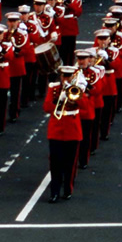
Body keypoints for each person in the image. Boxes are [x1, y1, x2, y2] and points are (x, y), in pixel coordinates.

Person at [43, 63, 82, 202]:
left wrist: (73, 95)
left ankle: (67, 190)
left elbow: (86, 106)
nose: (65, 79)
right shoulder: (54, 88)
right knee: (55, 163)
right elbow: (47, 107)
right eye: (64, 76)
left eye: (68, 76)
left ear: (73, 77)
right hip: (56, 130)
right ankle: (54, 192)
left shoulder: (78, 88)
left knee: (70, 163)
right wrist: (59, 99)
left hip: (72, 129)